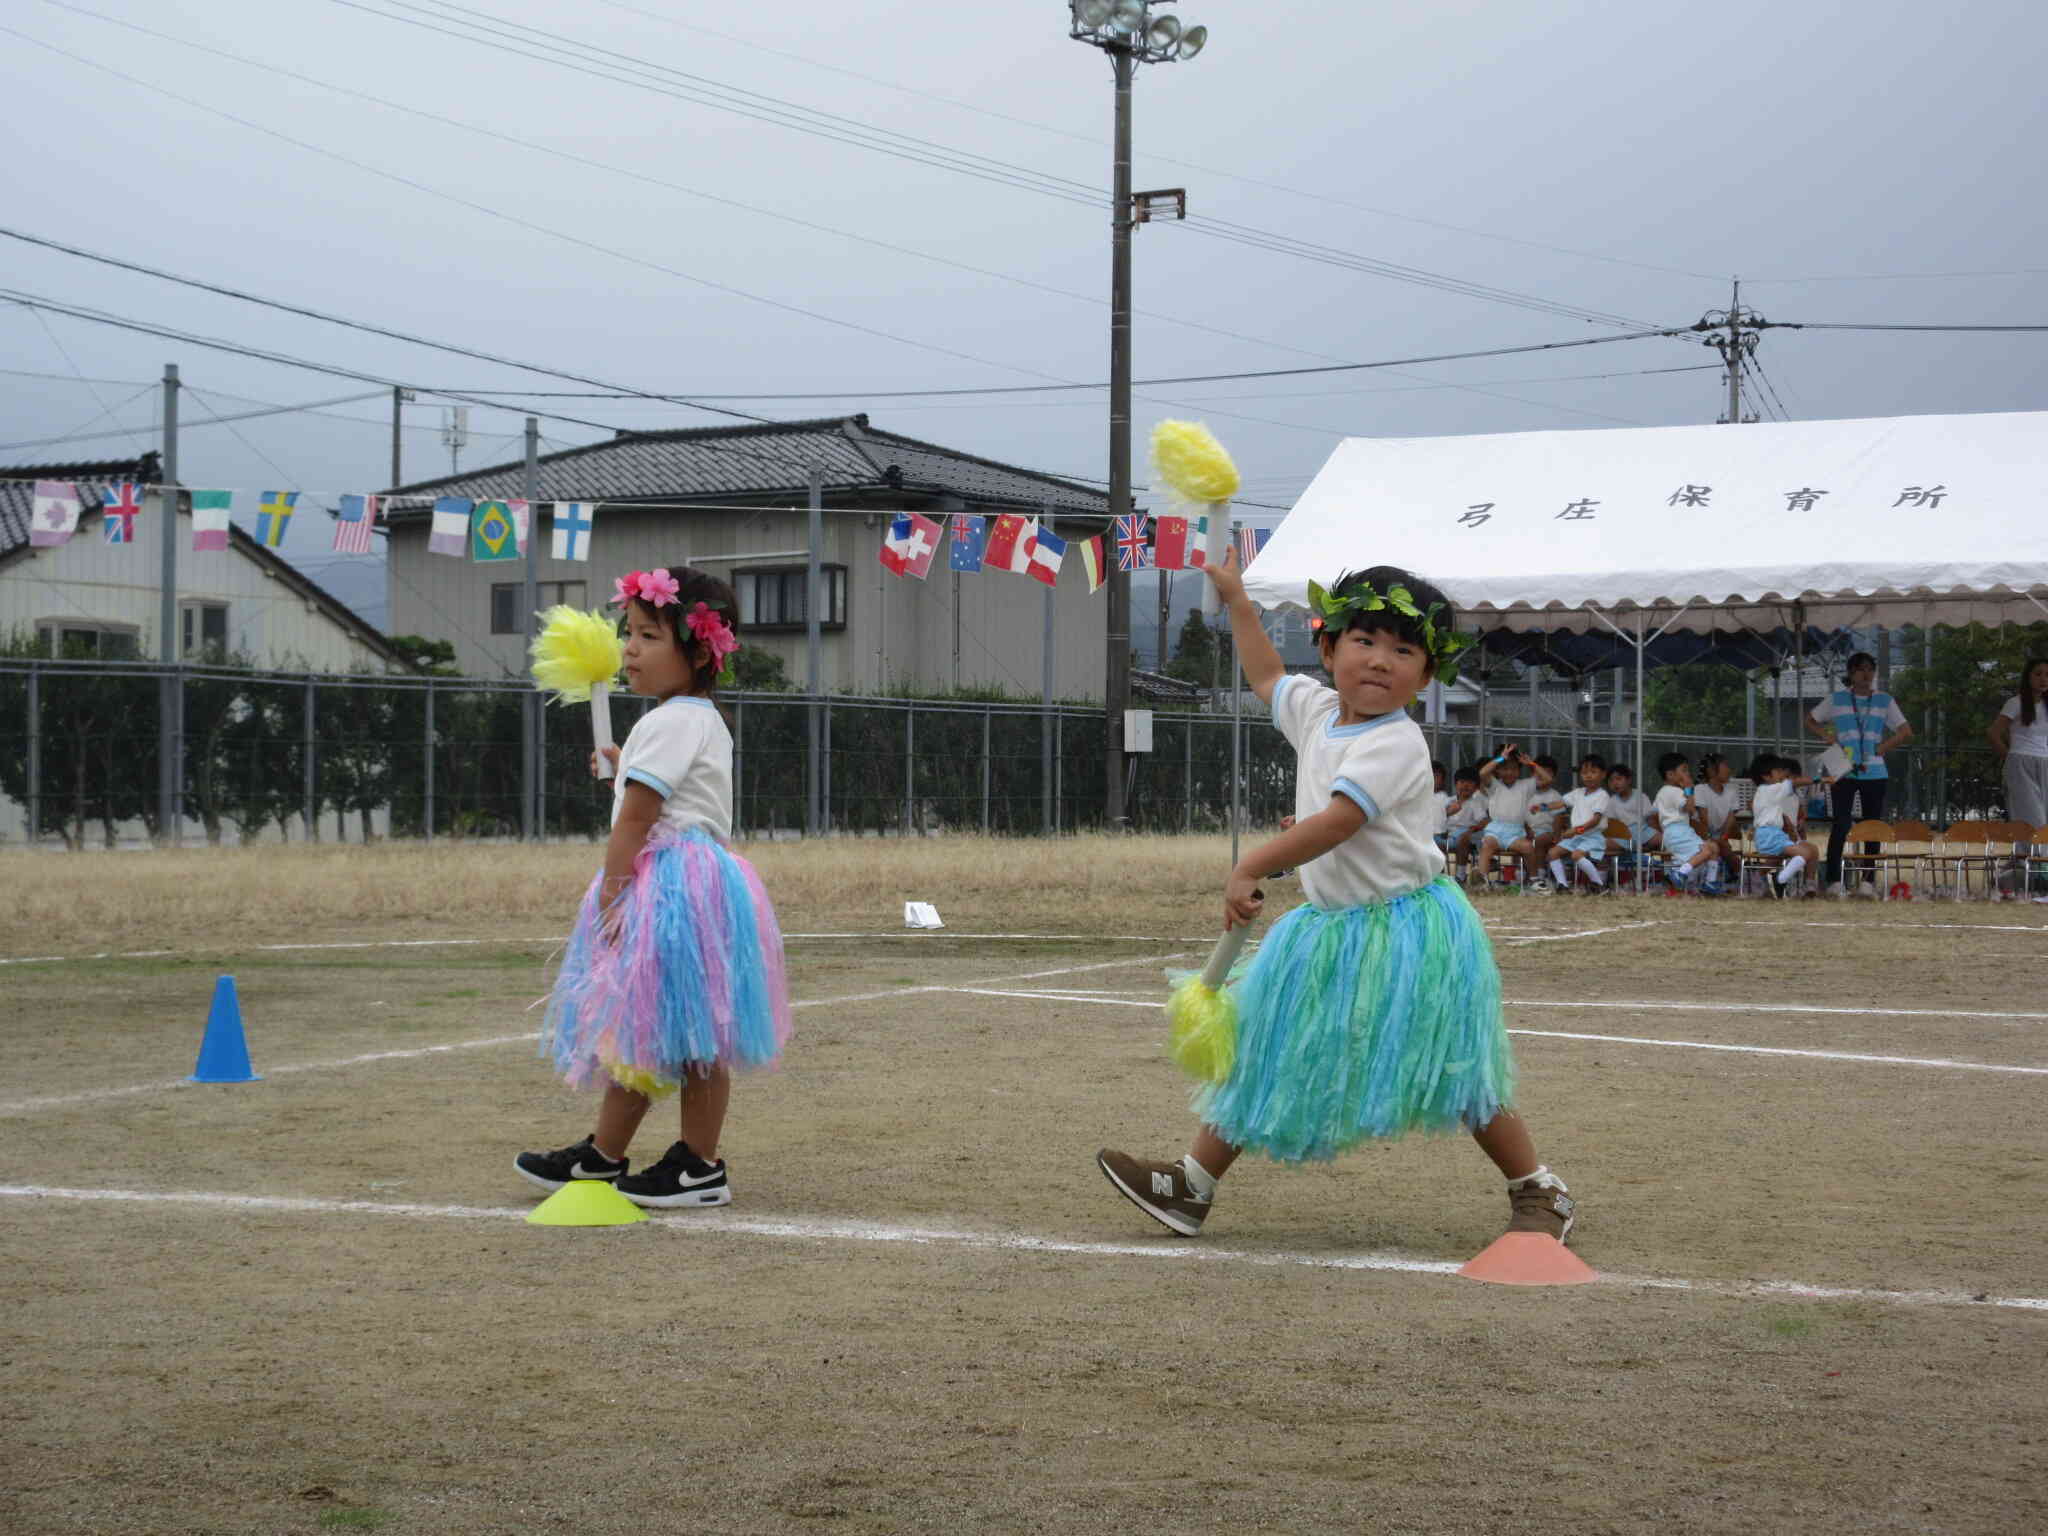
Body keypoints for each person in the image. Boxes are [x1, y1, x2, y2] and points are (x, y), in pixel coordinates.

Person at [1096, 556, 1577, 1248]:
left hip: (1411, 931)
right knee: (1260, 1043)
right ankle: (1192, 1185)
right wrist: (1235, 599)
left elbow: (1342, 820)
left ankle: (1539, 1188)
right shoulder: (1318, 712)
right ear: (1328, 647)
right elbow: (1264, 675)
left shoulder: (1397, 741)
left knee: (1454, 1063)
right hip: (1325, 931)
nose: (1382, 661)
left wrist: (1254, 862)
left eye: (1404, 650)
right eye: (1365, 641)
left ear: (1427, 674)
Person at [516, 566, 792, 1209]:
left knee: (665, 1029)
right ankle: (613, 1156)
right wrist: (623, 767)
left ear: (697, 649)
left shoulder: (670, 723)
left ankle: (691, 1165)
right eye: (628, 634)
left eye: (647, 636)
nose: (629, 650)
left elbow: (639, 819)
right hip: (695, 881)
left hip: (667, 887)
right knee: (665, 1027)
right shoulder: (696, 717)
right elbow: (669, 798)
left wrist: (613, 898)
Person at [1805, 652, 1914, 893]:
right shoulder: (1837, 699)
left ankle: (1868, 881)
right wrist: (1828, 737)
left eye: (1869, 670)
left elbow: (1905, 730)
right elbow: (1810, 719)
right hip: (1843, 770)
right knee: (1841, 824)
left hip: (1875, 771)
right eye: (1860, 669)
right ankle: (1834, 880)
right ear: (1851, 673)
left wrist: (1883, 747)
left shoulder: (1884, 700)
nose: (1866, 674)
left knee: (1872, 826)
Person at [1987, 658, 2048, 894]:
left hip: (2045, 762)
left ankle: (2033, 872)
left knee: (2045, 820)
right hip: (2020, 761)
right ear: (2028, 677)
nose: (2043, 679)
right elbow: (1993, 733)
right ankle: (2033, 871)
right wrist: (2009, 757)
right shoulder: (2015, 703)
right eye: (2038, 674)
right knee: (2032, 819)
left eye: (2047, 675)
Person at [1473, 743, 1553, 892]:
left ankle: (1534, 880)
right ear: (1498, 770)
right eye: (1505, 768)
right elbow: (1483, 773)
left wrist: (1532, 764)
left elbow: (1547, 779)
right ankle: (1483, 882)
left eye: (1514, 768)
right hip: (1495, 830)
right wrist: (1499, 758)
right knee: (1487, 845)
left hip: (1516, 832)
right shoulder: (1494, 785)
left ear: (1519, 769)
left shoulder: (1526, 785)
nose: (1509, 772)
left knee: (1528, 847)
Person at [1745, 753, 1820, 899]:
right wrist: (1822, 779)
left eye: (1784, 773)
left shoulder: (1778, 793)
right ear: (1766, 776)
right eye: (1779, 772)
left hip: (1779, 835)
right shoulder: (1770, 790)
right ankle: (1782, 879)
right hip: (1772, 835)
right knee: (1802, 853)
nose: (1783, 777)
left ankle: (1808, 885)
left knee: (1812, 850)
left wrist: (1797, 831)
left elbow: (1794, 819)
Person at [1653, 752, 1721, 893]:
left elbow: (1653, 813)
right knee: (1707, 850)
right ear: (1670, 775)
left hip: (1672, 832)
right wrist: (1689, 789)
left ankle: (1710, 882)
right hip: (1679, 831)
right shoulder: (1675, 792)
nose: (1688, 773)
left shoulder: (1661, 792)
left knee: (1713, 847)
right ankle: (1681, 873)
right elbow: (1690, 809)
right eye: (1684, 770)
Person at [1546, 753, 1611, 893]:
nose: (1588, 776)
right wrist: (1542, 807)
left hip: (1592, 837)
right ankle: (1562, 886)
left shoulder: (1602, 795)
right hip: (1576, 836)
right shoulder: (1578, 792)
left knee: (1576, 855)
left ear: (1603, 774)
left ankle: (1599, 885)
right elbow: (1561, 802)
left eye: (1593, 772)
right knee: (1553, 853)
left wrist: (1575, 830)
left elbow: (1595, 821)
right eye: (1584, 772)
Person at [1692, 751, 1743, 890]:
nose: (1729, 769)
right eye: (1725, 765)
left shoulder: (1732, 791)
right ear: (1711, 770)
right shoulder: (1700, 789)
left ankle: (1734, 877)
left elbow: (1731, 819)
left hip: (1720, 837)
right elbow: (1703, 819)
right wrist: (1712, 838)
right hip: (1702, 835)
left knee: (1723, 847)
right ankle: (1738, 875)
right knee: (1725, 850)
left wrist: (1723, 838)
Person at [1523, 754, 1568, 892]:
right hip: (1527, 831)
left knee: (1540, 841)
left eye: (1547, 772)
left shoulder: (1555, 796)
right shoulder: (1525, 793)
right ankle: (1521, 875)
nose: (1542, 776)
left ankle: (1539, 876)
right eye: (1538, 772)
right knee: (1524, 842)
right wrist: (1527, 830)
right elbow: (1519, 816)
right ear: (1532, 774)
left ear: (1553, 776)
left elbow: (1559, 818)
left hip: (1548, 832)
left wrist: (1556, 837)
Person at [1603, 763, 1657, 864]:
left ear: (1629, 780)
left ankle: (1667, 870)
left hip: (1643, 832)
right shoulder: (1612, 801)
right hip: (1623, 835)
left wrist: (1655, 835)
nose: (1615, 783)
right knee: (1601, 844)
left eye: (1618, 779)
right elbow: (1611, 824)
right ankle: (1631, 856)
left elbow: (1651, 819)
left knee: (1663, 840)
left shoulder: (1641, 796)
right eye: (1611, 780)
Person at [1444, 764, 1489, 878]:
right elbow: (1438, 817)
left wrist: (1472, 829)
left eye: (1470, 783)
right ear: (1456, 784)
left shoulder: (1475, 803)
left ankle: (1460, 875)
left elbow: (1484, 820)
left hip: (1468, 836)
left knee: (1463, 837)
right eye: (1462, 782)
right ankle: (1436, 877)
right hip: (1447, 835)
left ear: (1476, 787)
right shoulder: (1448, 801)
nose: (1465, 785)